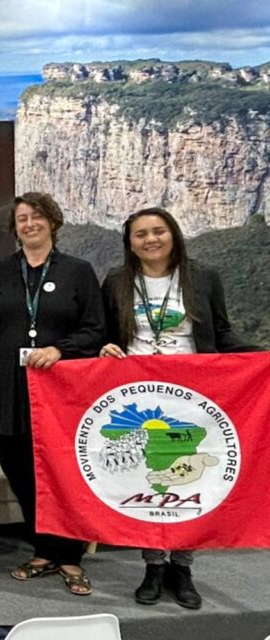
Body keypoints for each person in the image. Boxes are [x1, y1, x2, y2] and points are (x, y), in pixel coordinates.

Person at [99, 207, 256, 609]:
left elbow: (221, 332)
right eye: (140, 234)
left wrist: (260, 357)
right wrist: (105, 348)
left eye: (158, 231)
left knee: (190, 476)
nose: (150, 240)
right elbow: (106, 335)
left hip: (192, 394)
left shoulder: (202, 277)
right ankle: (153, 564)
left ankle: (182, 567)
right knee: (147, 475)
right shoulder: (118, 281)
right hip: (136, 392)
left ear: (173, 235)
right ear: (129, 243)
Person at [0, 193, 104, 596]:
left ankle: (69, 556)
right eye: (21, 219)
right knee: (20, 470)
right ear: (14, 228)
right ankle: (42, 549)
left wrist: (61, 349)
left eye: (37, 217)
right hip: (9, 387)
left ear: (53, 222)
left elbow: (94, 328)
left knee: (61, 471)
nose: (29, 224)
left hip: (60, 389)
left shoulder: (78, 271)